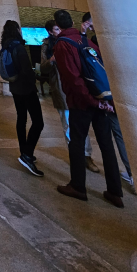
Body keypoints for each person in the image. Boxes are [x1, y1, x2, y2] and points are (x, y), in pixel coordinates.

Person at [53, 10, 123, 207]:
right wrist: (104, 101)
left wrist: (93, 102)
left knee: (76, 143)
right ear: (73, 22)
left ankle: (78, 187)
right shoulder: (87, 42)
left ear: (58, 25)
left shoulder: (63, 44)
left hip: (81, 103)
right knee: (106, 145)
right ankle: (115, 192)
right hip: (100, 99)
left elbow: (73, 79)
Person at [80, 12, 134, 188]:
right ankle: (131, 173)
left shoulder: (102, 42)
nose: (92, 26)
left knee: (120, 134)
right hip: (115, 93)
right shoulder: (102, 40)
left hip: (114, 94)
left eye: (92, 23)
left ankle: (133, 175)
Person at [40, 19, 100, 173]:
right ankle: (77, 156)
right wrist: (51, 60)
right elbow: (43, 67)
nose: (59, 31)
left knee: (83, 125)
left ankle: (86, 156)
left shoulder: (70, 41)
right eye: (55, 29)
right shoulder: (47, 46)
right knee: (67, 126)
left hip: (79, 89)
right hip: (61, 90)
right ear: (50, 31)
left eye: (59, 28)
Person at [1, 19, 44, 177]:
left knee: (22, 118)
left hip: (15, 88)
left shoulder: (5, 45)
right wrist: (34, 80)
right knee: (38, 122)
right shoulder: (18, 47)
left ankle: (24, 151)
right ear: (17, 30)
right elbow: (27, 70)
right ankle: (27, 154)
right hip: (26, 89)